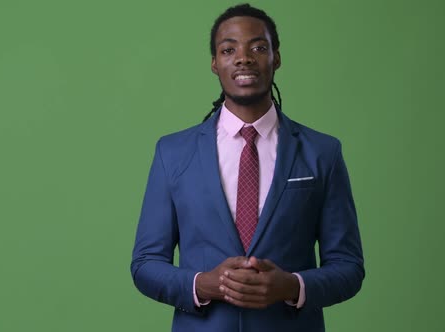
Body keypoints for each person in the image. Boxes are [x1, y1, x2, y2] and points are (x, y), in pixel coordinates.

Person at [130, 3, 364, 331]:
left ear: (276, 58)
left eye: (258, 47)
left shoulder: (322, 152)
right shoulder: (173, 153)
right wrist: (203, 284)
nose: (244, 57)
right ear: (215, 63)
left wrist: (291, 286)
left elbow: (349, 267)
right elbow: (145, 264)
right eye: (229, 49)